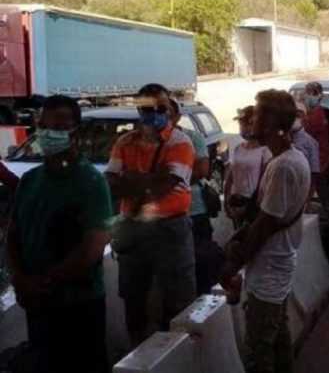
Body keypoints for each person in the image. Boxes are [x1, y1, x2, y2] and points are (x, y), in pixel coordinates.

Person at [7, 95, 113, 373]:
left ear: (75, 132)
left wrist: (43, 282)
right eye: (43, 127)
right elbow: (14, 234)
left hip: (78, 304)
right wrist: (20, 279)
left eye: (58, 128)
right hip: (37, 304)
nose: (47, 134)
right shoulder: (30, 180)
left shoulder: (90, 182)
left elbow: (92, 248)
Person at [221, 89, 311, 373]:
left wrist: (232, 265)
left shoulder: (283, 165)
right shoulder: (287, 158)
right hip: (276, 265)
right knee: (278, 340)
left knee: (258, 351)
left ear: (271, 123)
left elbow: (265, 226)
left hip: (270, 268)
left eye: (257, 114)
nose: (251, 120)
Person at [106, 83, 197, 347]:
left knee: (177, 299)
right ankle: (138, 353)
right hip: (133, 229)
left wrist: (132, 180)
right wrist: (149, 180)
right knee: (133, 296)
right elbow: (111, 183)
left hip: (170, 229)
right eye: (149, 108)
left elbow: (164, 186)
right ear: (139, 110)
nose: (156, 113)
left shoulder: (180, 142)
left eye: (162, 108)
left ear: (169, 110)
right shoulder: (125, 141)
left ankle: (177, 353)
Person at [169, 98, 217, 295]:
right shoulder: (146, 142)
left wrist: (166, 180)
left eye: (168, 113)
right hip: (165, 217)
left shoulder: (192, 137)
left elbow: (201, 170)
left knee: (201, 262)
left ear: (177, 116)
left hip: (194, 210)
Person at [302, 82, 329, 270]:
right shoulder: (303, 117)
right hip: (308, 170)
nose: (309, 95)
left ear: (320, 95)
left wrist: (328, 164)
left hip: (324, 168)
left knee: (328, 207)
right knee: (309, 206)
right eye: (307, 92)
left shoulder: (327, 115)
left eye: (313, 92)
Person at [224, 106, 273, 228]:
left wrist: (251, 205)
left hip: (253, 204)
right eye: (241, 124)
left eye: (246, 124)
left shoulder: (265, 151)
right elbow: (231, 176)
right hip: (236, 201)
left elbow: (264, 182)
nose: (243, 128)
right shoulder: (239, 148)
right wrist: (226, 199)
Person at [291, 101, 320, 197]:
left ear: (305, 118)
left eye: (298, 116)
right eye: (292, 115)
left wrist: (307, 198)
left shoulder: (311, 143)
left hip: (300, 190)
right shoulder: (279, 138)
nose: (294, 118)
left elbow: (314, 173)